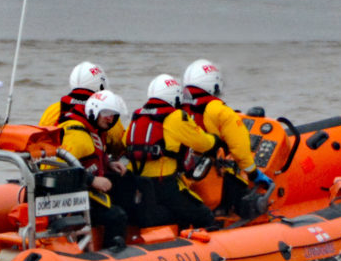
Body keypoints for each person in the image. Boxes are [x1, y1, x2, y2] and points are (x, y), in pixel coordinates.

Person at [181, 58, 272, 217]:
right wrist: (254, 174)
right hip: (213, 181)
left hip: (186, 176)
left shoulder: (178, 108)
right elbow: (240, 151)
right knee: (239, 180)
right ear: (213, 84)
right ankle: (229, 213)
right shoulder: (221, 112)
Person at [125, 74, 217, 230]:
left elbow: (124, 142)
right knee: (204, 215)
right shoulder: (176, 117)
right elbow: (203, 144)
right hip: (165, 186)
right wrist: (216, 139)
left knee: (179, 214)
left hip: (138, 184)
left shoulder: (138, 116)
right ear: (176, 96)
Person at [58, 88, 134, 249]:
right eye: (106, 113)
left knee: (126, 183)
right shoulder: (78, 135)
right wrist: (92, 180)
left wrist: (108, 163)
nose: (110, 119)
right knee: (117, 216)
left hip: (81, 188)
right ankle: (111, 257)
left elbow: (91, 156)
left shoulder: (92, 130)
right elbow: (58, 169)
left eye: (113, 115)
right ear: (93, 111)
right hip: (70, 196)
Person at [39, 61, 126, 154]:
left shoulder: (53, 109)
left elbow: (40, 139)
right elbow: (119, 144)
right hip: (87, 164)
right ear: (101, 85)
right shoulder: (105, 110)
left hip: (53, 162)